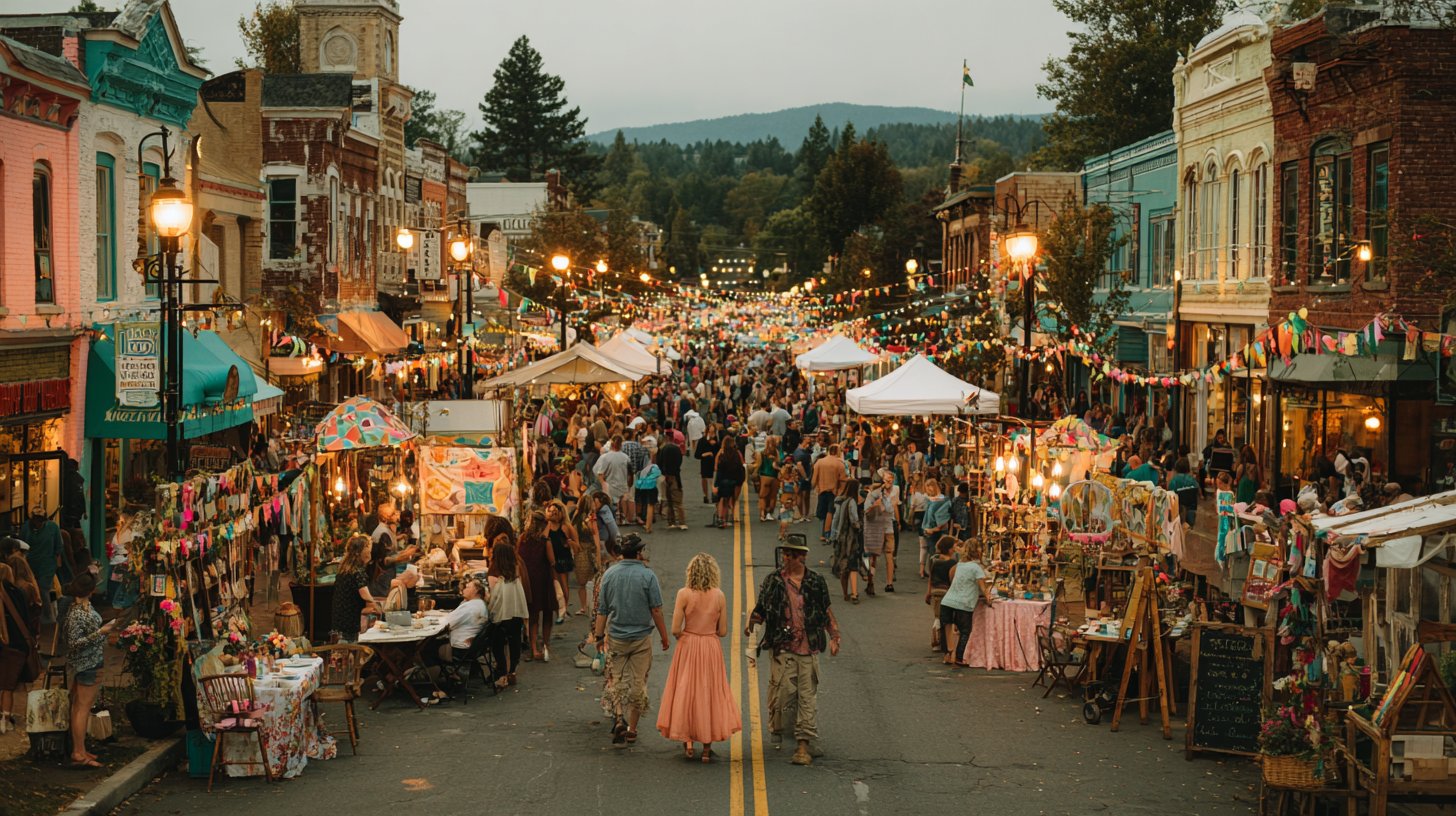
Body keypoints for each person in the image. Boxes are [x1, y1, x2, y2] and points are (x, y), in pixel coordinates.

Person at [747, 536, 841, 766]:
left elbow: (825, 610)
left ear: (802, 557)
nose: (786, 558)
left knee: (807, 697)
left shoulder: (816, 581)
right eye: (785, 554)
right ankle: (780, 727)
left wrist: (835, 635)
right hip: (782, 647)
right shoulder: (773, 581)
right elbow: (759, 612)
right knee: (781, 696)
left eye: (791, 555)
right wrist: (752, 640)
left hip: (808, 647)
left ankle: (803, 745)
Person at [656, 553, 741, 762]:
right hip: (710, 646)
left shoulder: (684, 594)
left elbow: (675, 628)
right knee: (709, 692)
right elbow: (723, 631)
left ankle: (688, 743)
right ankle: (706, 748)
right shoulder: (719, 595)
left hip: (689, 644)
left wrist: (685, 636)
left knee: (686, 691)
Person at [592, 534, 670, 747]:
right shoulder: (648, 576)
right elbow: (656, 610)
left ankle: (619, 717)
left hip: (616, 637)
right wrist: (664, 637)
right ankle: (632, 729)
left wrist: (599, 636)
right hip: (640, 639)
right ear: (638, 553)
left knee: (616, 679)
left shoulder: (610, 574)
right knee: (638, 682)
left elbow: (602, 610)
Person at [63, 573, 113, 767]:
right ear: (91, 590)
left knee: (79, 707)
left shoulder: (79, 608)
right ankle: (78, 751)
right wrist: (101, 632)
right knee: (82, 708)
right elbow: (75, 643)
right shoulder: (77, 613)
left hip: (85, 662)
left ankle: (80, 749)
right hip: (88, 663)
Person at [0, 562, 40, 734]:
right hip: (15, 646)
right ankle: (5, 719)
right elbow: (27, 617)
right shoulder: (16, 593)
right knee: (7, 686)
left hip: (5, 645)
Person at [940, 542, 993, 667]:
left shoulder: (960, 564)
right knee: (965, 631)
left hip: (948, 600)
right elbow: (983, 587)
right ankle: (959, 657)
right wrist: (989, 599)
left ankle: (947, 655)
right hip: (964, 603)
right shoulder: (976, 568)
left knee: (946, 628)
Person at [486, 542, 529, 689]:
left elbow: (494, 595)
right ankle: (512, 672)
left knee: (498, 644)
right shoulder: (514, 571)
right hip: (515, 612)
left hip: (501, 614)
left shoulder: (493, 571)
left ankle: (502, 673)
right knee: (514, 642)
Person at [517, 512, 558, 662]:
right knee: (547, 614)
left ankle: (534, 648)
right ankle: (546, 645)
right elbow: (552, 561)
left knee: (533, 615)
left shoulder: (522, 539)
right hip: (544, 580)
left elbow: (518, 557)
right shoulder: (545, 541)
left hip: (529, 581)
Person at [331, 534, 379, 640]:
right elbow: (366, 597)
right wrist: (380, 609)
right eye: (368, 549)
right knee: (350, 648)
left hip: (339, 621)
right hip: (350, 624)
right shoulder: (358, 572)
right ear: (360, 552)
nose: (370, 553)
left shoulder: (344, 570)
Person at [829, 478, 865, 602]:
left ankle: (845, 593)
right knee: (853, 564)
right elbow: (854, 519)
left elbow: (835, 519)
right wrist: (860, 526)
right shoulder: (852, 502)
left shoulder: (839, 500)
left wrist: (833, 535)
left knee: (843, 566)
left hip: (840, 537)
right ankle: (854, 593)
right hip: (851, 537)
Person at [21, 509, 61, 621]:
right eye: (36, 520)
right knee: (34, 590)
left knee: (44, 589)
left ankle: (48, 618)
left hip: (47, 564)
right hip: (30, 564)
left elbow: (58, 546)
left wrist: (57, 562)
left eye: (41, 520)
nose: (39, 523)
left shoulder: (53, 528)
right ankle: (37, 617)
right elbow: (22, 544)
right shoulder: (26, 528)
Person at [437, 578, 487, 664]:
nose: (464, 590)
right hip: (474, 648)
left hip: (461, 649)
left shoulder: (470, 606)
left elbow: (446, 623)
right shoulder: (480, 603)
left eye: (467, 587)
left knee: (427, 646)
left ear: (476, 590)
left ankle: (432, 670)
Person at [545, 500, 580, 625]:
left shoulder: (566, 527)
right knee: (554, 585)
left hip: (563, 558)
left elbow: (578, 546)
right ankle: (559, 609)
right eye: (550, 512)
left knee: (563, 584)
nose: (553, 514)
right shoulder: (546, 526)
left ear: (561, 513)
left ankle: (563, 609)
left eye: (555, 512)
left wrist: (570, 543)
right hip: (551, 559)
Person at [924, 537, 957, 651]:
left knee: (938, 615)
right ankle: (937, 641)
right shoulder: (952, 563)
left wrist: (928, 592)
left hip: (935, 591)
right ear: (949, 549)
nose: (954, 549)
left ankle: (939, 641)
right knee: (942, 618)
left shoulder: (934, 560)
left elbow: (931, 578)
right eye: (953, 547)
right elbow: (952, 579)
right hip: (946, 592)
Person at [862, 476, 893, 595]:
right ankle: (888, 582)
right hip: (886, 528)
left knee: (872, 558)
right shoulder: (884, 495)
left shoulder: (871, 496)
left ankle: (870, 581)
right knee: (886, 556)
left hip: (874, 530)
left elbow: (866, 511)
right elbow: (890, 510)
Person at [812, 444, 847, 543]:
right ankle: (827, 533)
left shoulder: (819, 462)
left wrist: (814, 487)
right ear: (838, 451)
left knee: (823, 513)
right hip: (834, 491)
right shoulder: (840, 464)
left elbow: (814, 478)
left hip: (822, 490)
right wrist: (842, 492)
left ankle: (823, 533)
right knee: (830, 512)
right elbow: (843, 479)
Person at [594, 435, 633, 522]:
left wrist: (603, 484)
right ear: (621, 445)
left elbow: (600, 473)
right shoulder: (626, 457)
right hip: (623, 485)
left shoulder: (606, 457)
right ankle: (623, 519)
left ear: (611, 444)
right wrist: (629, 485)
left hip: (610, 486)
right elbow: (630, 474)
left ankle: (613, 521)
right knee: (622, 503)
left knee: (611, 507)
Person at [919, 479, 951, 580]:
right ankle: (933, 577)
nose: (929, 490)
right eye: (927, 488)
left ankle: (940, 577)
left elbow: (944, 516)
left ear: (935, 486)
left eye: (930, 487)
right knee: (932, 553)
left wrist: (935, 528)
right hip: (930, 531)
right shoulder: (930, 500)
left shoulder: (944, 500)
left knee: (941, 553)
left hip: (939, 531)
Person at [657, 432, 688, 531]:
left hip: (666, 476)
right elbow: (679, 462)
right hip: (675, 476)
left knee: (669, 501)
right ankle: (682, 522)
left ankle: (671, 521)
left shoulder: (662, 449)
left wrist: (664, 472)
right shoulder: (677, 449)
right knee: (678, 502)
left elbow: (659, 462)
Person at [713, 436, 746, 529]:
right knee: (732, 499)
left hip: (724, 480)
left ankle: (721, 518)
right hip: (735, 480)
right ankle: (731, 517)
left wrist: (716, 484)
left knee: (723, 499)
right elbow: (742, 465)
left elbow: (717, 468)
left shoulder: (721, 453)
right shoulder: (737, 453)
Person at [634, 455, 662, 534]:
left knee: (643, 503)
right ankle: (648, 526)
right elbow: (658, 474)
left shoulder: (643, 466)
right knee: (650, 505)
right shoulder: (654, 467)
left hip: (640, 486)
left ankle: (641, 518)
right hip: (651, 487)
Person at [1168, 458, 1200, 525]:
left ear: (1176, 468)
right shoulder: (1192, 480)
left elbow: (1170, 493)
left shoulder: (1174, 480)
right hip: (1191, 509)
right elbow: (1197, 490)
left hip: (1177, 511)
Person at [696, 424, 719, 504]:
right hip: (705, 463)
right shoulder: (702, 441)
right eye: (710, 432)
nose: (712, 434)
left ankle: (714, 494)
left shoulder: (717, 441)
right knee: (705, 479)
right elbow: (697, 455)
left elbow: (719, 452)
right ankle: (705, 495)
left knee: (712, 479)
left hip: (714, 463)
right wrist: (707, 454)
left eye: (713, 432)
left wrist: (715, 444)